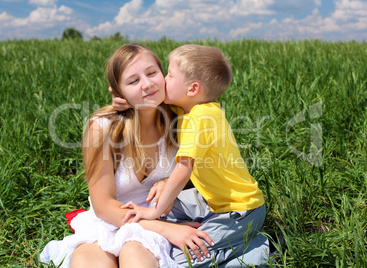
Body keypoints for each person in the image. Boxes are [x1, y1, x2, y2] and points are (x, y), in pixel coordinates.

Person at [40, 43, 213, 268]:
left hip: (159, 219)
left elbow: (199, 170)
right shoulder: (102, 128)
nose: (147, 84)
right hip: (109, 221)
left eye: (152, 73)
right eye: (133, 81)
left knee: (134, 258)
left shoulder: (180, 119)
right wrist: (167, 229)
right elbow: (103, 206)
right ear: (117, 92)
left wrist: (167, 181)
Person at [118, 44, 269, 267]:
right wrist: (128, 102)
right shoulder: (193, 108)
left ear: (192, 89)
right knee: (158, 212)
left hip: (239, 212)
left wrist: (156, 212)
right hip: (212, 200)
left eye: (169, 74)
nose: (164, 80)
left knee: (180, 259)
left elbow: (183, 169)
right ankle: (227, 243)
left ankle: (261, 250)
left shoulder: (201, 120)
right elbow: (153, 104)